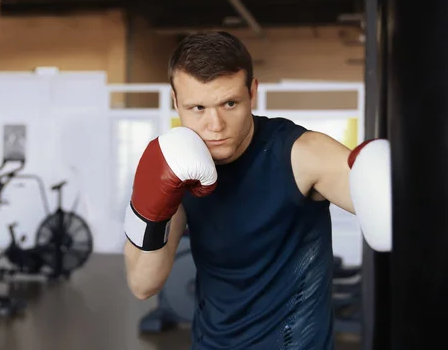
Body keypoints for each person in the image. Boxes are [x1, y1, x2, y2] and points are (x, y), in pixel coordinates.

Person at [123, 31, 391, 349]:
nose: (215, 125)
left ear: (252, 92)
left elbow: (392, 211)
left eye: (229, 103)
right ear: (175, 101)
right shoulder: (175, 167)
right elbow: (143, 285)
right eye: (197, 108)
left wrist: (390, 191)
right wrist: (151, 211)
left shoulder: (300, 154)